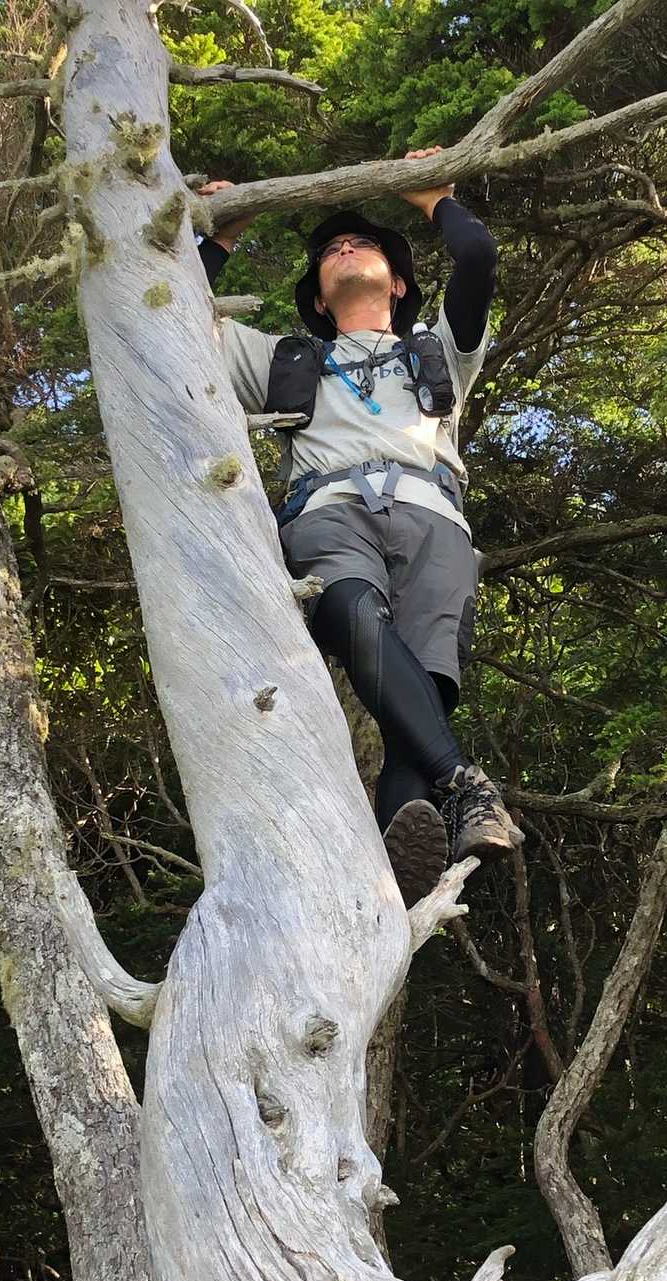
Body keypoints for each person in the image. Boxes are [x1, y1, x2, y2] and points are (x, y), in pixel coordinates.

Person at [196, 150, 524, 906]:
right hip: (328, 509)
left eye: (363, 243)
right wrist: (223, 234)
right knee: (346, 605)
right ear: (318, 295)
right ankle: (465, 785)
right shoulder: (281, 360)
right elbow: (173, 312)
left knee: (423, 694)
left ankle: (389, 883)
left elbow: (477, 256)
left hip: (435, 516)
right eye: (331, 250)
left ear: (398, 283)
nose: (345, 249)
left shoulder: (437, 352)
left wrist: (435, 198)